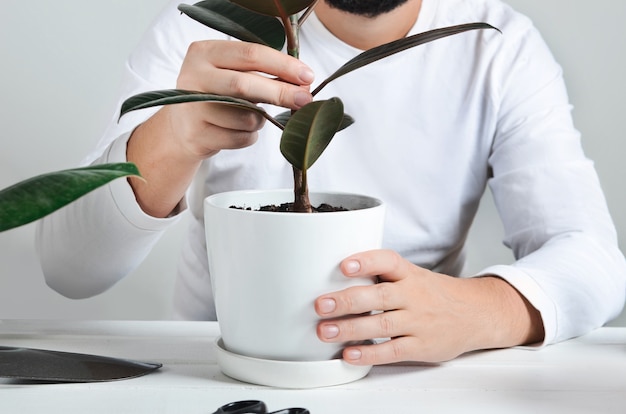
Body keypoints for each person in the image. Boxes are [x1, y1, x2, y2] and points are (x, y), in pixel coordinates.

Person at [36, 0, 626, 366]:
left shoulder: (497, 44)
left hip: (417, 376)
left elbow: (593, 257)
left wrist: (477, 308)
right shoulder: (206, 28)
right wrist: (174, 136)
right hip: (219, 374)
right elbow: (71, 268)